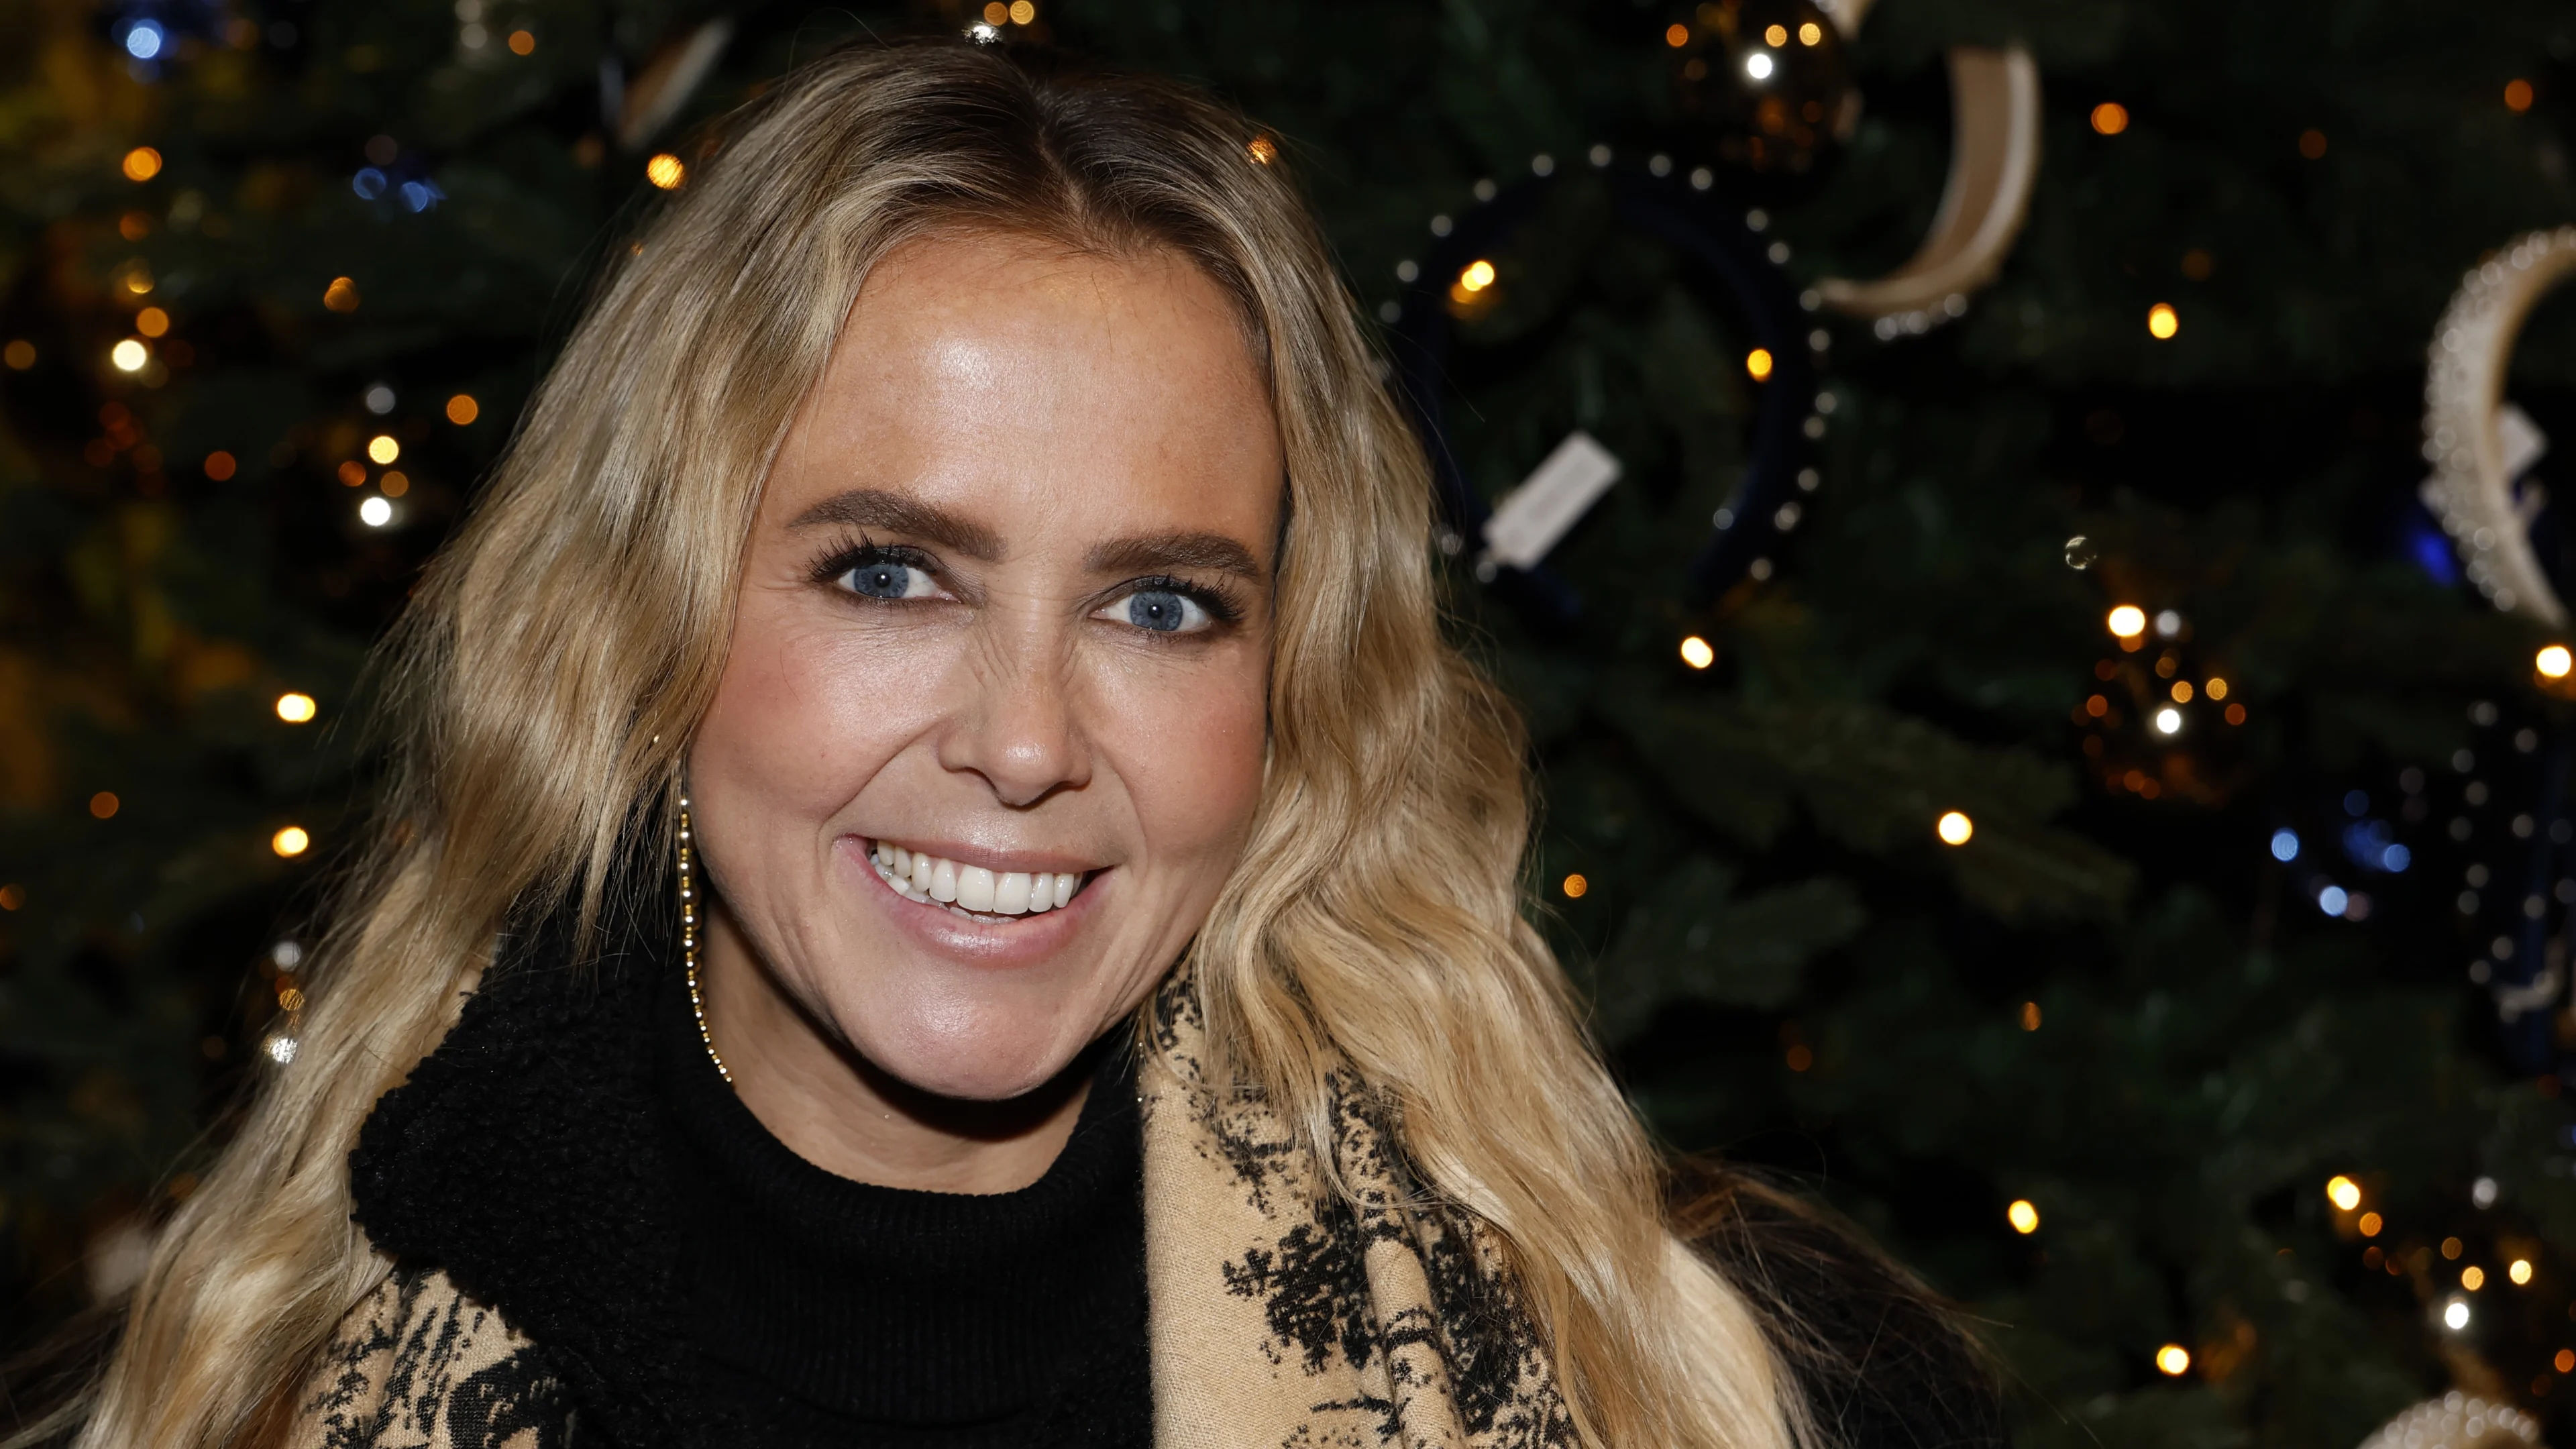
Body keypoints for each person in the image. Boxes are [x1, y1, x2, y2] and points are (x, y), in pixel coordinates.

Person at [28, 38, 2000, 1449]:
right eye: (889, 575)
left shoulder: (1712, 1382)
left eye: (1163, 606)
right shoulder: (284, 1393)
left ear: (1292, 697)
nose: (1031, 742)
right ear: (648, 624)